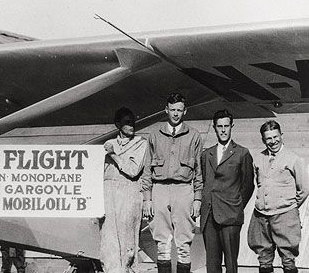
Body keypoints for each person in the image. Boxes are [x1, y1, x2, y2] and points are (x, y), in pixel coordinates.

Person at [140, 92, 203, 273]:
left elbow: (198, 171)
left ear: (185, 112)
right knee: (162, 244)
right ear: (166, 110)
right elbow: (146, 170)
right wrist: (147, 199)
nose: (176, 113)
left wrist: (197, 198)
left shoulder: (194, 136)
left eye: (179, 110)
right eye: (173, 109)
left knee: (183, 244)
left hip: (184, 190)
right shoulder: (155, 135)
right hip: (159, 190)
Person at [247, 120, 309, 273]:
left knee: (288, 259)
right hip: (261, 216)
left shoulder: (294, 159)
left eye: (276, 137)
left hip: (285, 216)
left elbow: (304, 188)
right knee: (264, 259)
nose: (273, 141)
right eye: (268, 138)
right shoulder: (258, 159)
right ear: (263, 140)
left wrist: (288, 206)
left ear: (282, 136)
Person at [200, 109, 254, 273]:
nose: (223, 130)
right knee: (212, 264)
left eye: (226, 126)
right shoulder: (206, 154)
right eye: (219, 126)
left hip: (231, 215)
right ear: (214, 128)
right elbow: (204, 181)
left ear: (231, 126)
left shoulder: (242, 153)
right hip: (209, 216)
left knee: (231, 264)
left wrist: (235, 205)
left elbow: (248, 186)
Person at [99, 107, 148, 272]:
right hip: (108, 196)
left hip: (129, 195)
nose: (131, 125)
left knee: (128, 242)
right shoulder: (108, 144)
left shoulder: (141, 144)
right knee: (109, 242)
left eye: (133, 121)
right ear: (117, 124)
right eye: (127, 122)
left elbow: (133, 170)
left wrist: (114, 155)